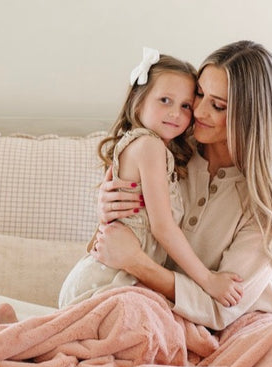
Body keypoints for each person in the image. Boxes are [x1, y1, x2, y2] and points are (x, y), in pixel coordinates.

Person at [91, 40, 272, 330]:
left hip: (238, 328)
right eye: (199, 95)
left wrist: (137, 263)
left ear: (251, 118)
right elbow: (112, 247)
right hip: (150, 314)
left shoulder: (269, 203)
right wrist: (108, 212)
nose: (197, 112)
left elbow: (220, 310)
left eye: (217, 105)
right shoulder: (168, 151)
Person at [58, 48, 244, 309]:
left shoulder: (162, 149)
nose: (176, 114)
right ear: (139, 100)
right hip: (108, 281)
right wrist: (208, 280)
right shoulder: (150, 147)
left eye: (185, 105)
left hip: (126, 278)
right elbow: (162, 227)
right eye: (165, 100)